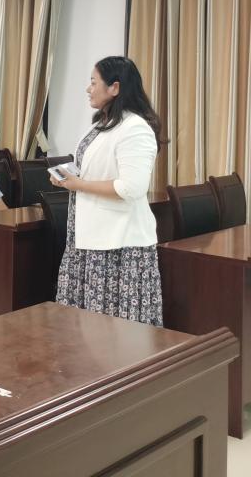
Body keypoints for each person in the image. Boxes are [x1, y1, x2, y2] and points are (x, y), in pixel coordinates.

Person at [51, 56, 164, 326]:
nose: (88, 89)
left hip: (119, 245)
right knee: (85, 327)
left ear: (115, 87)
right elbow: (98, 170)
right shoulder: (103, 123)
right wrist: (70, 177)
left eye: (93, 82)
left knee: (115, 332)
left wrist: (78, 184)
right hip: (90, 238)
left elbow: (131, 187)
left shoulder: (135, 128)